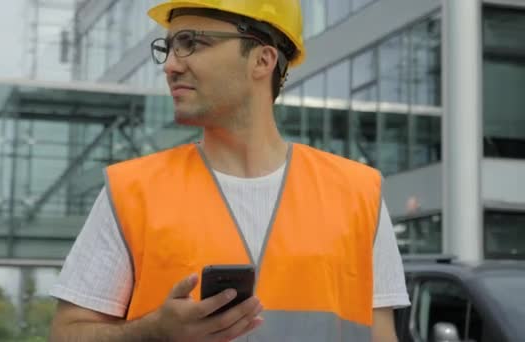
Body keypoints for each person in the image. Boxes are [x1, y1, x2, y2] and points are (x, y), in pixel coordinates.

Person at [49, 0, 409, 341]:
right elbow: (66, 334)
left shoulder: (359, 192)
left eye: (192, 43)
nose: (170, 65)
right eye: (170, 47)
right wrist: (153, 331)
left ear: (262, 60)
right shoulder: (130, 191)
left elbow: (380, 335)